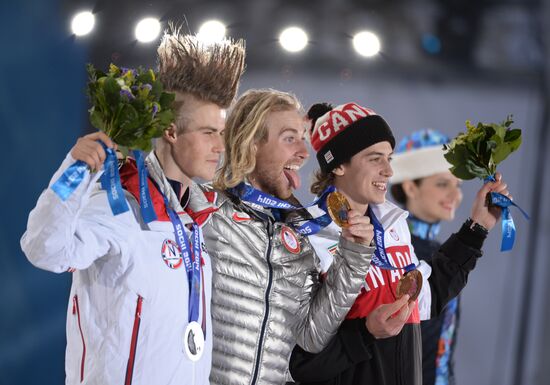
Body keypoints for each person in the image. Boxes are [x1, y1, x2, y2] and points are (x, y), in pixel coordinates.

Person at [20, 31, 245, 385]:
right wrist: (74, 172)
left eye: (221, 132)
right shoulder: (118, 205)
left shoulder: (193, 222)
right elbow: (45, 251)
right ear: (171, 132)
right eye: (208, 133)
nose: (221, 146)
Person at [288, 102, 510, 385]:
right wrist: (366, 332)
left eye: (389, 158)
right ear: (339, 165)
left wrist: (477, 227)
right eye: (374, 158)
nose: (389, 171)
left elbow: (427, 297)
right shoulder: (304, 233)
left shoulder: (394, 225)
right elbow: (297, 364)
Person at [201, 89, 375, 385]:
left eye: (303, 139)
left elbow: (311, 336)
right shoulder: (204, 210)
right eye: (289, 138)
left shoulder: (299, 234)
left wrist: (353, 258)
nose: (305, 153)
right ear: (252, 142)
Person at [390, 129, 463, 385]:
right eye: (443, 184)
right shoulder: (394, 250)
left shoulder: (439, 249)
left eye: (458, 185)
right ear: (410, 186)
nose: (456, 196)